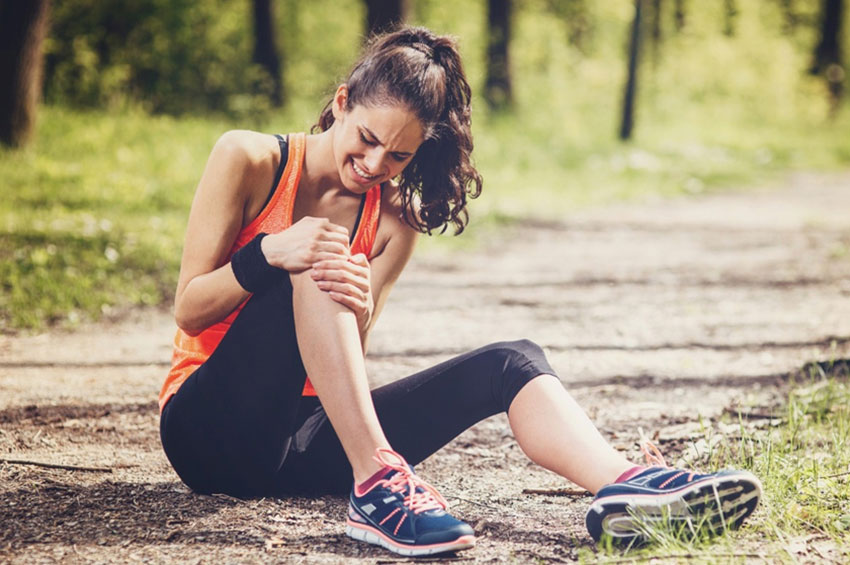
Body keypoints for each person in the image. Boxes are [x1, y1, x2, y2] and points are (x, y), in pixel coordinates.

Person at [158, 26, 762, 557]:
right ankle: (378, 485)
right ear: (341, 103)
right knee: (317, 259)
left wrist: (360, 307)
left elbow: (338, 362)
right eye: (366, 138)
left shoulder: (393, 220)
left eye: (398, 155)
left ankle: (625, 485)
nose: (374, 164)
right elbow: (188, 308)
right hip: (207, 429)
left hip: (299, 443)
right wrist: (268, 254)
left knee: (511, 361)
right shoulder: (251, 158)